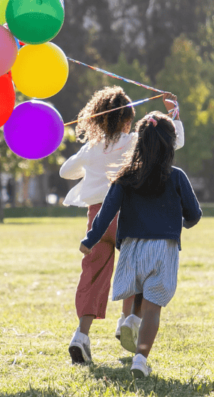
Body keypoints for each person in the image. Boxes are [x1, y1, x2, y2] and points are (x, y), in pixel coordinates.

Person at [60, 87, 184, 365]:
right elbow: (174, 142)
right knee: (137, 270)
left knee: (92, 276)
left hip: (97, 220)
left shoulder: (92, 148)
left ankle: (81, 335)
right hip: (128, 216)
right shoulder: (134, 141)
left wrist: (91, 161)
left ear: (99, 121)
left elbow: (64, 171)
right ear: (128, 120)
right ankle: (127, 320)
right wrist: (173, 113)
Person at [80, 112, 201, 378]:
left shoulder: (125, 176)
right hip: (163, 248)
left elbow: (106, 212)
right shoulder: (177, 176)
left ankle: (131, 319)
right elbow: (194, 214)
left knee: (138, 288)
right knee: (153, 308)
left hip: (132, 247)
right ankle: (140, 359)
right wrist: (182, 222)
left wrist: (90, 239)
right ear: (170, 144)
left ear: (139, 142)